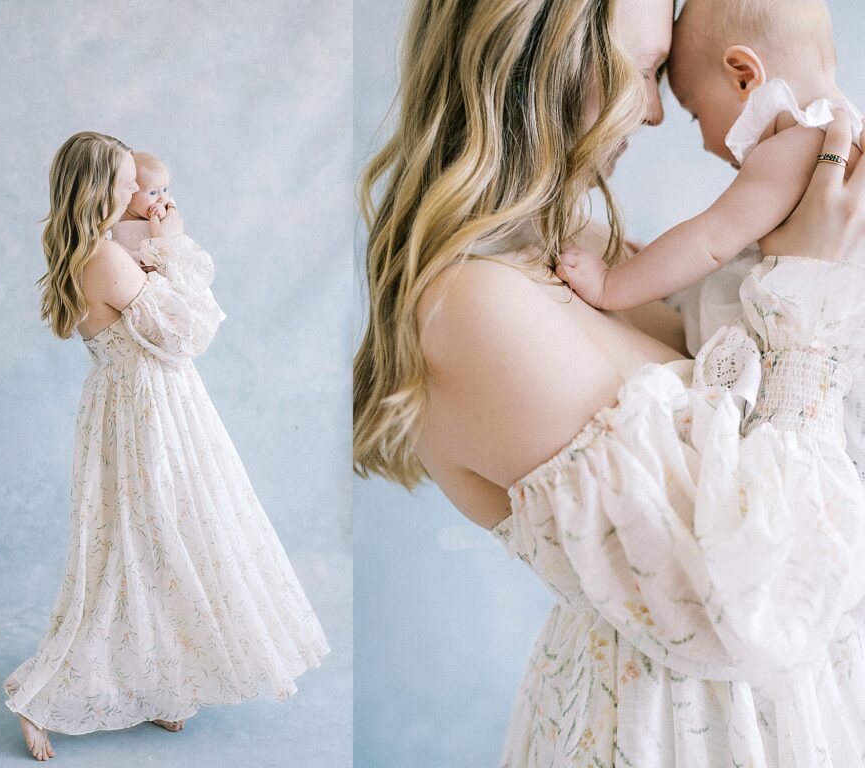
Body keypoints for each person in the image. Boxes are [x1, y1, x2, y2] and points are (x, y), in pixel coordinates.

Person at [353, 0, 865, 763]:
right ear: (545, 54)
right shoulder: (472, 309)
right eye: (645, 70)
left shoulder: (582, 246)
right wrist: (807, 290)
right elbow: (747, 620)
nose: (656, 113)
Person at [5, 131, 330, 761]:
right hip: (146, 411)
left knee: (155, 545)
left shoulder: (99, 250)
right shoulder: (105, 257)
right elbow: (187, 334)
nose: (140, 191)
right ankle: (38, 698)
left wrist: (155, 251)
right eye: (128, 181)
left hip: (140, 404)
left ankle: (158, 685)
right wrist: (172, 246)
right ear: (102, 187)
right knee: (142, 545)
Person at [556, 0, 864, 312]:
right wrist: (651, 265)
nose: (704, 144)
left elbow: (709, 244)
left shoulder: (795, 145)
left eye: (695, 114)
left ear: (743, 77)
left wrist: (611, 284)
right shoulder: (844, 133)